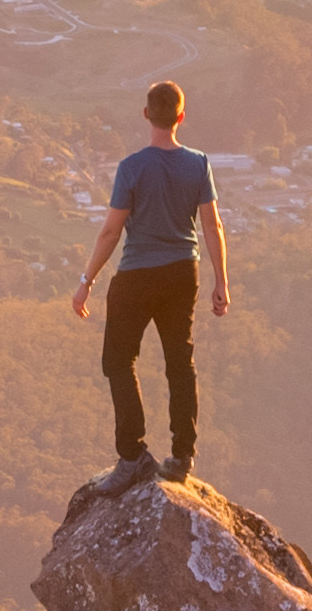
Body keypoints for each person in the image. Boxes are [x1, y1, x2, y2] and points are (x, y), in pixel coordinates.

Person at [65, 79, 229, 490]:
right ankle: (182, 456)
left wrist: (87, 280)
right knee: (180, 362)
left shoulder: (132, 167)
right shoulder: (198, 163)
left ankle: (133, 456)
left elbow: (110, 231)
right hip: (182, 272)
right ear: (181, 117)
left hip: (137, 275)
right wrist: (221, 281)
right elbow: (212, 224)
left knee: (119, 361)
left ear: (145, 115)